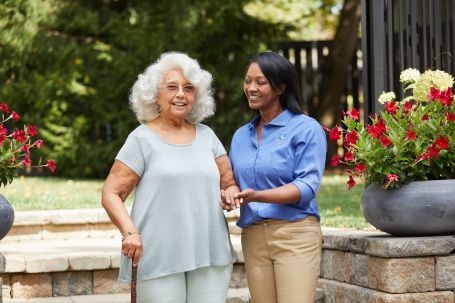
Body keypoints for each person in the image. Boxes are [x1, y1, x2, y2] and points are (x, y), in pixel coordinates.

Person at [102, 52, 238, 303]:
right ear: (155, 94)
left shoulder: (208, 136)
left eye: (188, 88)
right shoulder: (141, 139)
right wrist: (130, 233)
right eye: (172, 87)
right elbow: (111, 193)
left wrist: (230, 194)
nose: (180, 94)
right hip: (158, 253)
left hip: (210, 251)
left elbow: (228, 183)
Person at [223, 51, 327, 303]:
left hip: (295, 234)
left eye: (260, 82)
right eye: (248, 81)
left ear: (281, 87)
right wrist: (229, 191)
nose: (251, 88)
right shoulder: (240, 136)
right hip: (254, 237)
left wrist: (257, 196)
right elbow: (233, 179)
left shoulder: (306, 128)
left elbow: (305, 187)